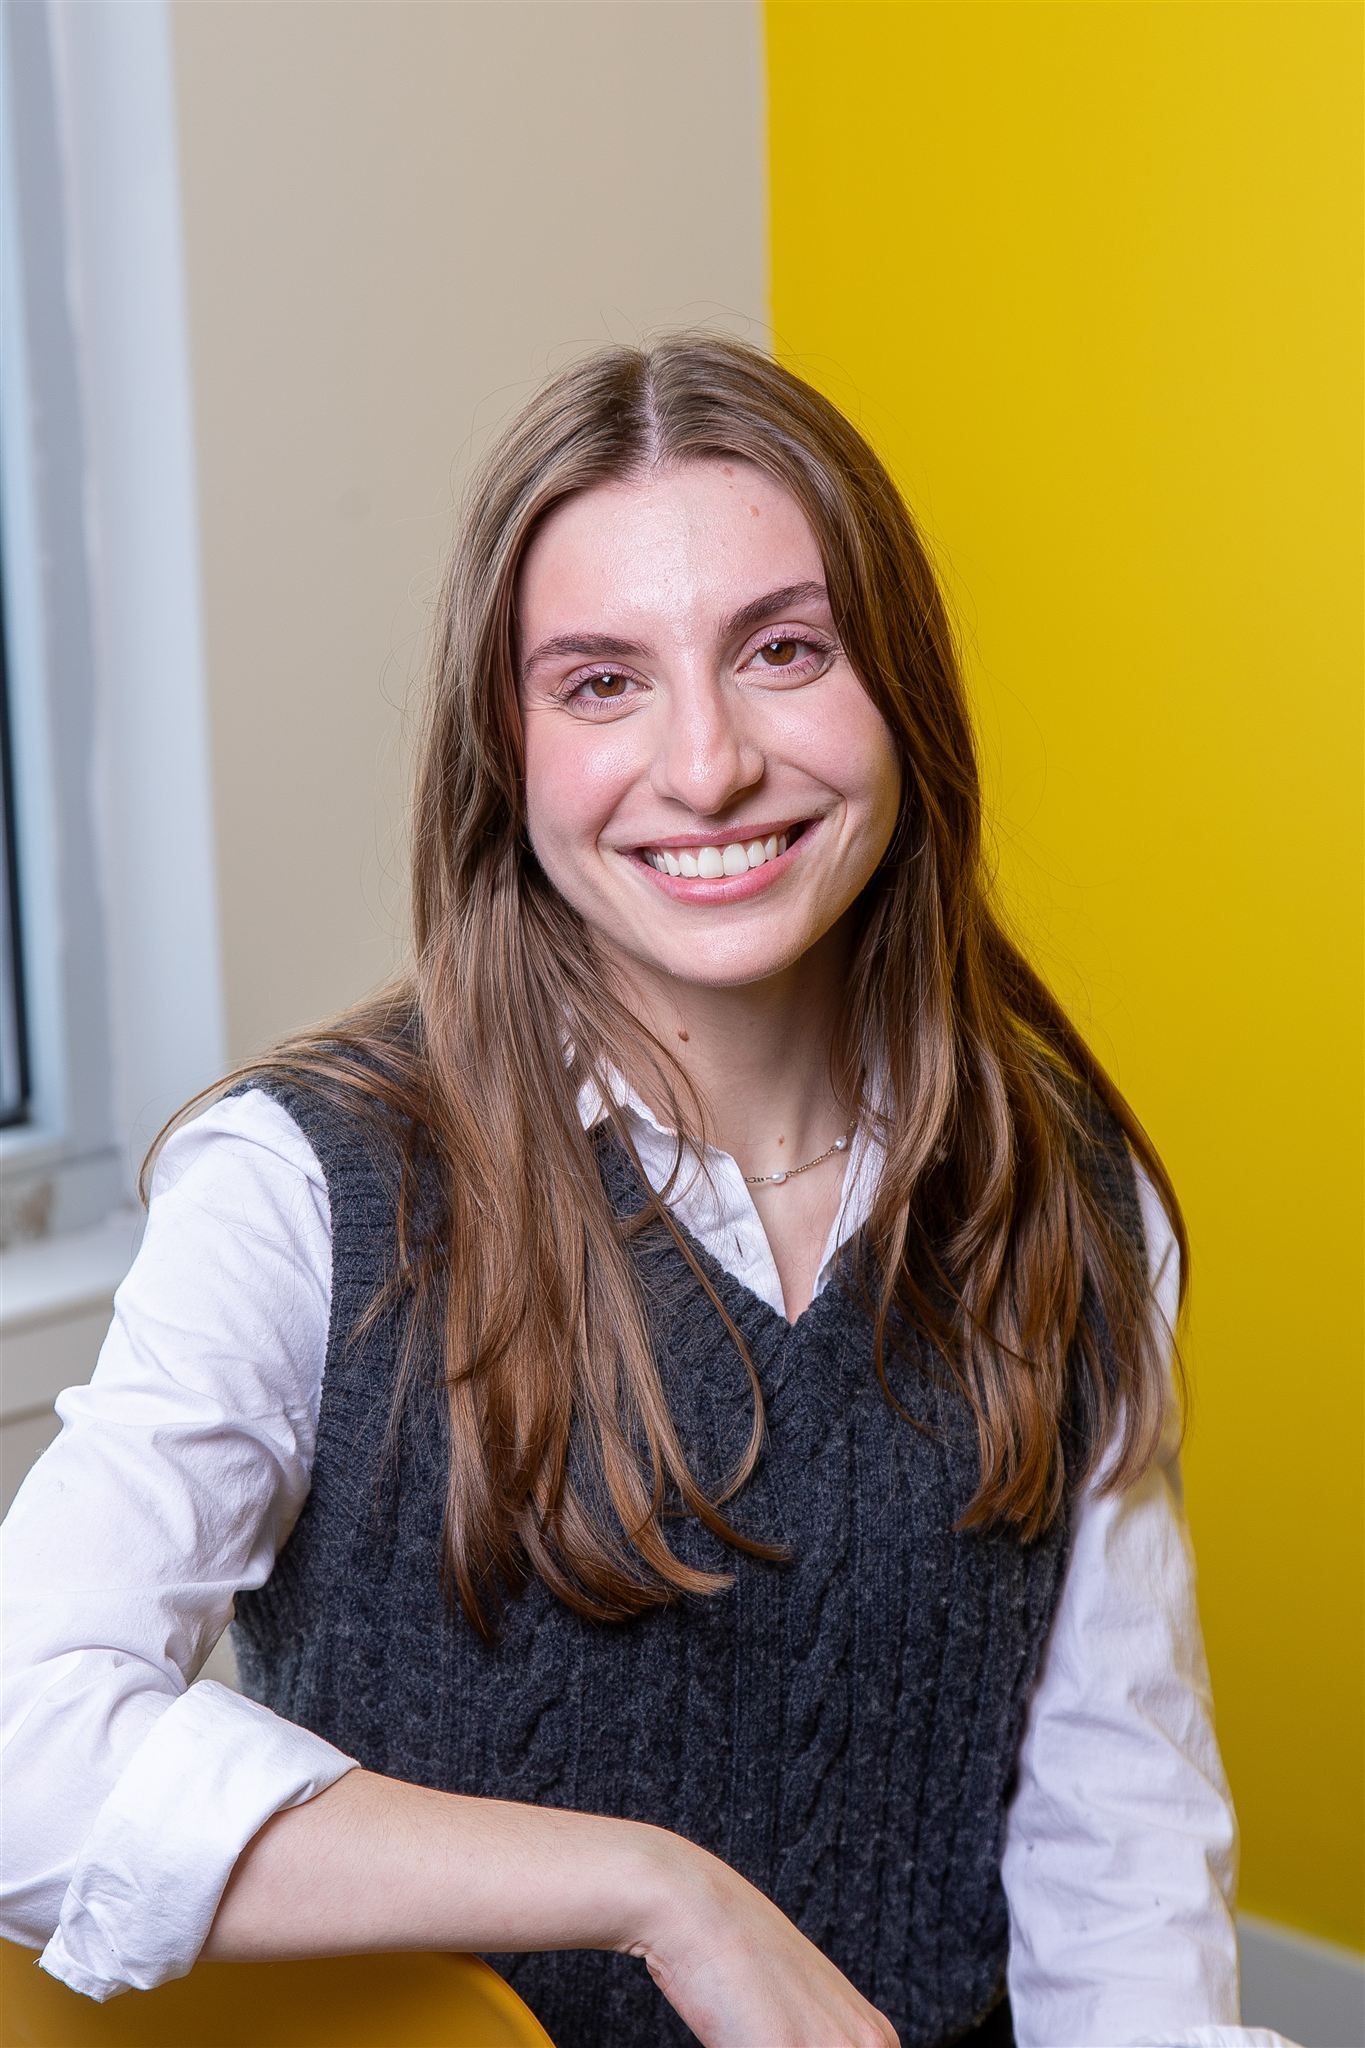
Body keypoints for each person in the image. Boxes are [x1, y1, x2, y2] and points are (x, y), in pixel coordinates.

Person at [0, 333, 1297, 2048]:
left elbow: (1114, 1864)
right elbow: (25, 1751)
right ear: (505, 750)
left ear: (899, 690)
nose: (707, 768)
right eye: (601, 682)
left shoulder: (1060, 1189)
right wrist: (650, 1888)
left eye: (782, 651)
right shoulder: (300, 1188)